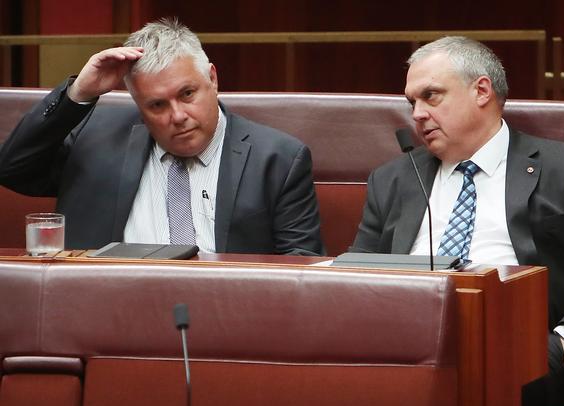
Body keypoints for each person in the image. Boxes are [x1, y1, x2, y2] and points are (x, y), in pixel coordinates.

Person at [351, 36, 564, 406]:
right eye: (412, 103)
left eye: (431, 96)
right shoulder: (394, 180)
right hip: (405, 343)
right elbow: (356, 276)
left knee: (452, 388)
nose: (418, 114)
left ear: (482, 91)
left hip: (522, 348)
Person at [0, 18, 324, 255]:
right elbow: (13, 169)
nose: (178, 116)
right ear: (139, 106)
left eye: (187, 94)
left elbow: (302, 269)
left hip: (226, 319)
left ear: (212, 78)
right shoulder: (96, 140)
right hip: (108, 315)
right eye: (157, 105)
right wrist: (77, 94)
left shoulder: (278, 159)